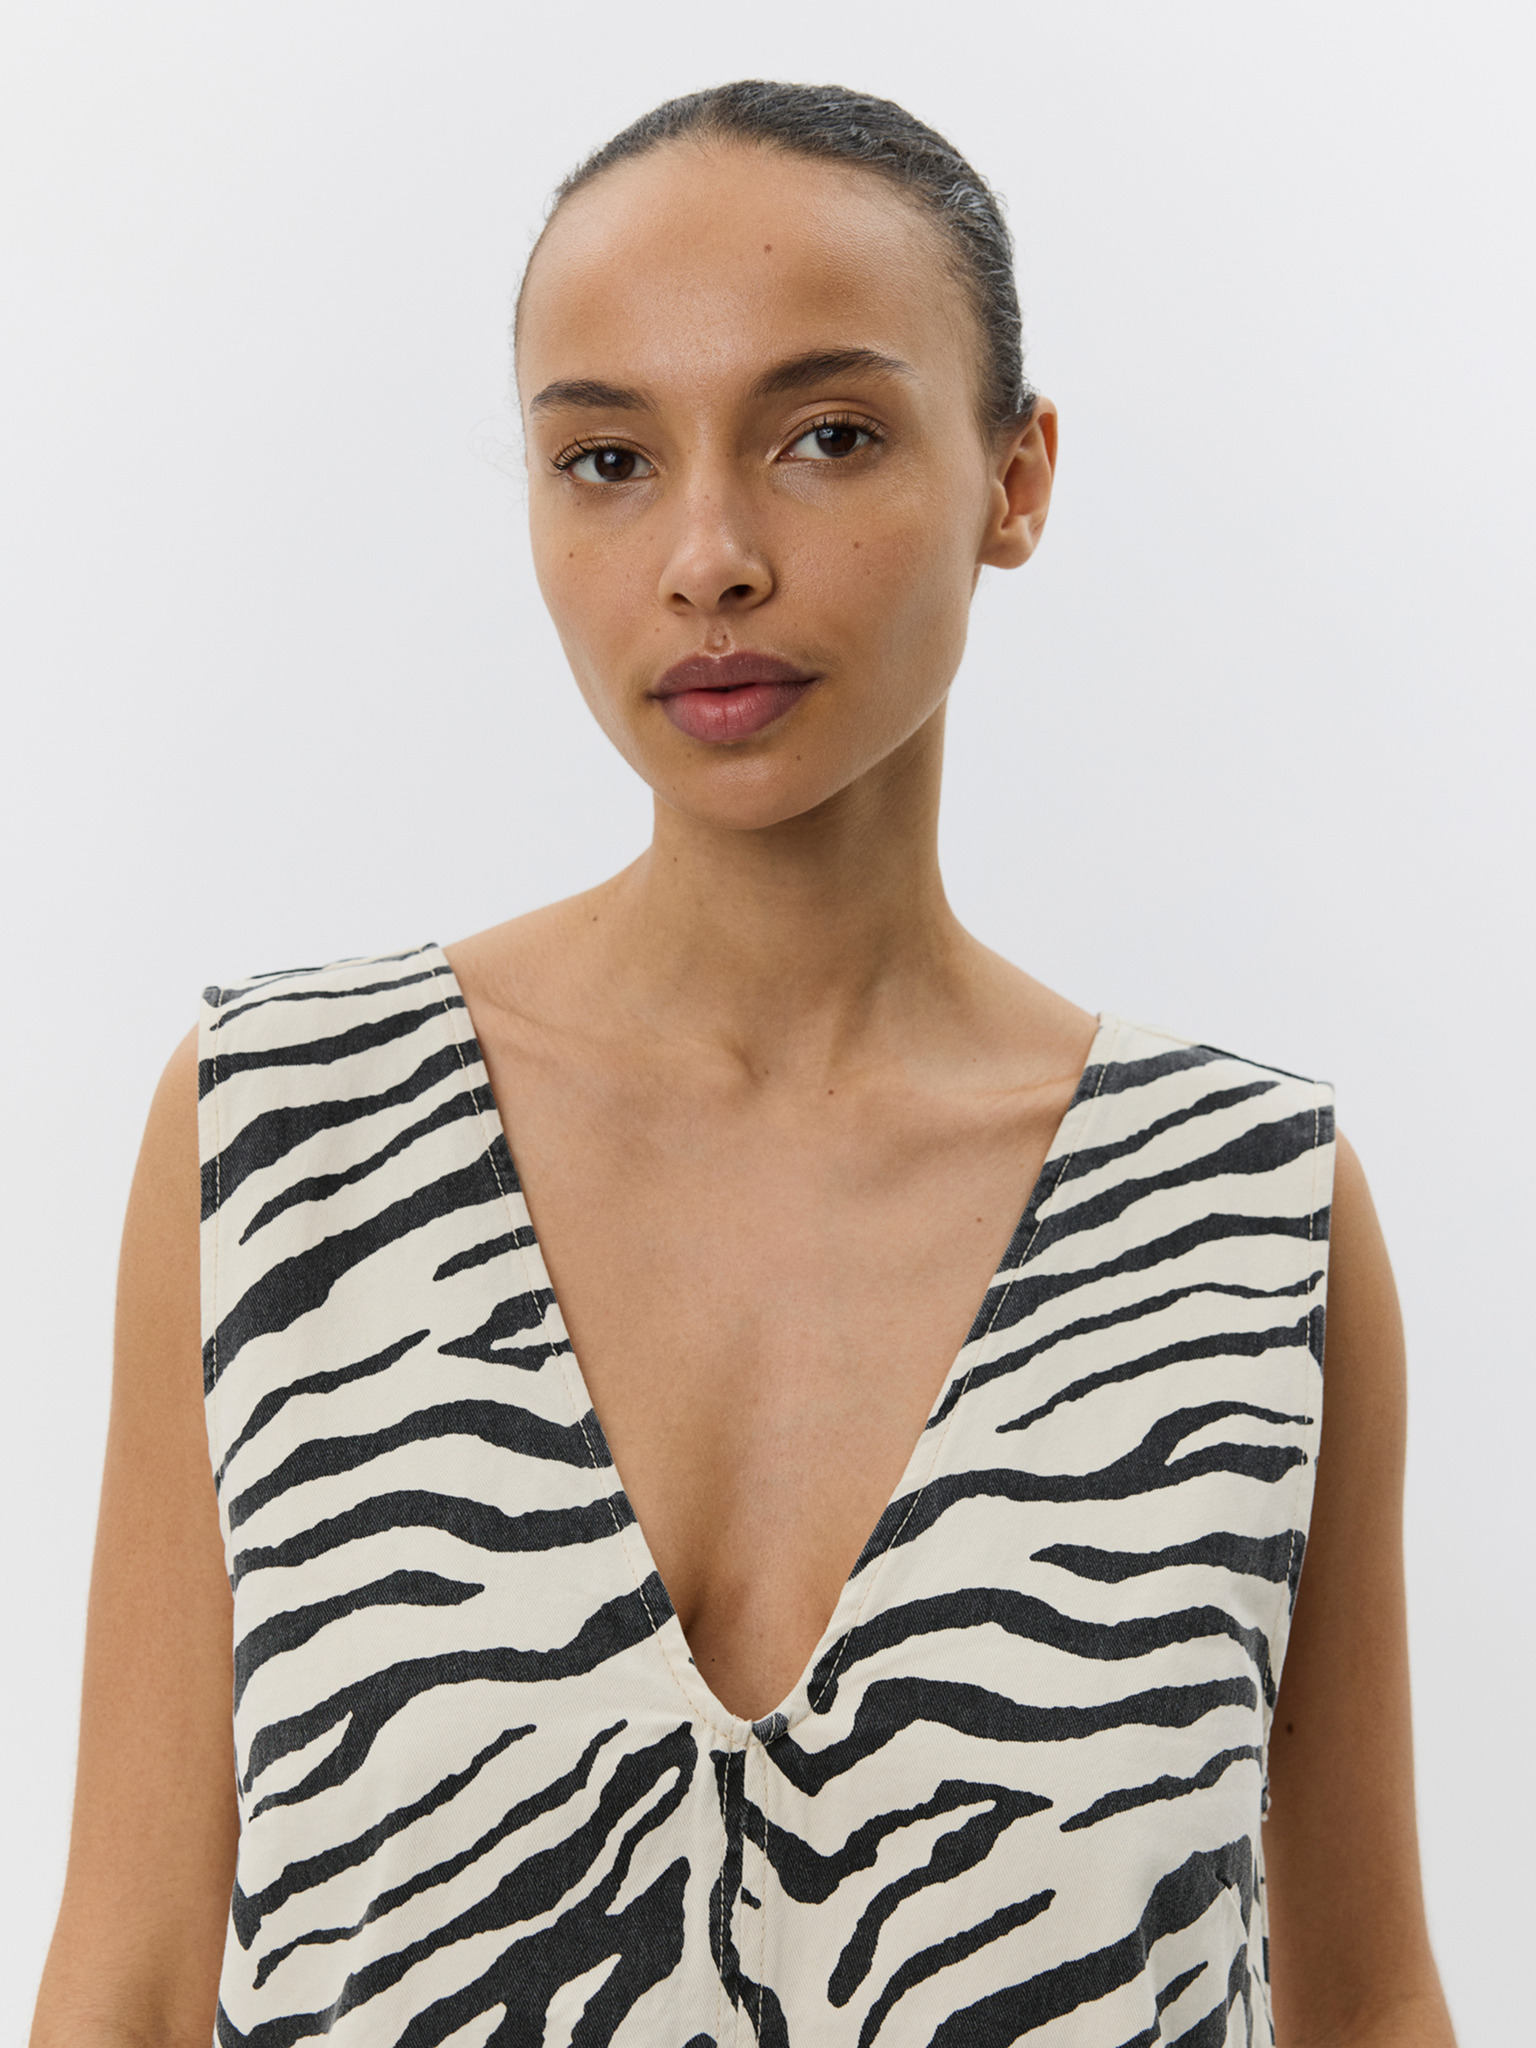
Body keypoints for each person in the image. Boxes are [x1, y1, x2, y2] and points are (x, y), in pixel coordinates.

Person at [30, 80, 1455, 2048]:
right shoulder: (282, 1138)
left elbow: (1369, 2002)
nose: (707, 557)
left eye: (826, 436)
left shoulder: (1244, 1216)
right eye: (607, 459)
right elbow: (118, 1984)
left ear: (1017, 476)